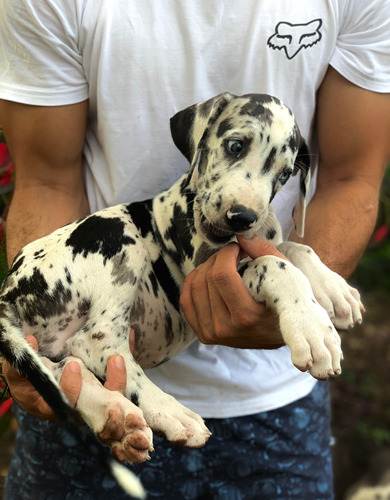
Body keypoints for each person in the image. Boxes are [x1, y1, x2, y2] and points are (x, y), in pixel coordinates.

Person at [0, 1, 389, 498]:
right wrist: (37, 339)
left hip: (277, 398)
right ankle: (95, 364)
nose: (252, 201)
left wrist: (307, 283)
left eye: (282, 175)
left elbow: (352, 176)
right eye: (233, 147)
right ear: (200, 138)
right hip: (83, 396)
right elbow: (48, 179)